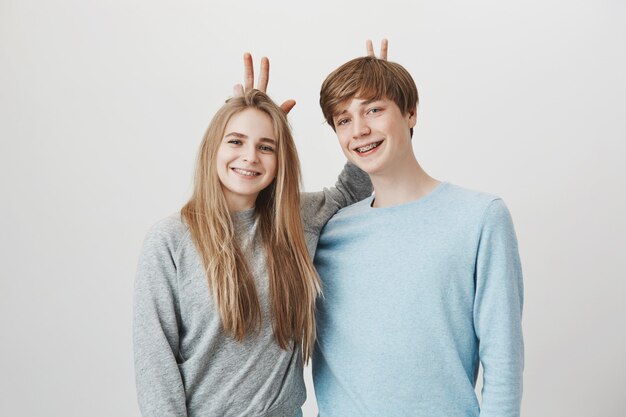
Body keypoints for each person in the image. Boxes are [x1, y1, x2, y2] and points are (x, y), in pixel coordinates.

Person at [133, 57, 371, 416]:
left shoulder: (296, 220)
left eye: (266, 147)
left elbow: (355, 187)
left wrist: (377, 106)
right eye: (236, 141)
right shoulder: (170, 241)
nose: (249, 157)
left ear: (280, 159)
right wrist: (257, 120)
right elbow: (156, 367)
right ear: (213, 147)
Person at [312, 41, 524, 417]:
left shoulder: (480, 217)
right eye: (344, 119)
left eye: (374, 109)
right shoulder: (330, 231)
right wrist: (251, 123)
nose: (359, 129)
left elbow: (503, 358)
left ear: (410, 113)